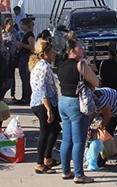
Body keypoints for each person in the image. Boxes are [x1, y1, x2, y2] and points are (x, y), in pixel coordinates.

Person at [57, 38, 100, 184]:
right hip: (77, 104)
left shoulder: (61, 65)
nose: (83, 50)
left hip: (63, 101)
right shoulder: (80, 65)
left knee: (66, 139)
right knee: (79, 141)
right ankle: (79, 174)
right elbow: (96, 81)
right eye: (80, 48)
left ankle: (65, 171)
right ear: (72, 51)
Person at [29, 40, 61, 174]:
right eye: (52, 52)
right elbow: (42, 88)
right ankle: (39, 163)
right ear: (44, 54)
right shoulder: (44, 66)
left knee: (55, 128)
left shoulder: (40, 65)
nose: (54, 55)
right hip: (43, 103)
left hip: (42, 102)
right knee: (45, 132)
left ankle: (48, 157)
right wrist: (49, 109)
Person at [93, 87, 117, 171]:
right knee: (106, 135)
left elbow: (107, 117)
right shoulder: (89, 101)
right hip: (112, 110)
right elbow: (93, 114)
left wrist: (99, 128)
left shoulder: (101, 99)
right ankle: (102, 159)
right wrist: (88, 126)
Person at [13, 17, 35, 105]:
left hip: (26, 57)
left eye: (22, 25)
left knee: (25, 78)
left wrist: (21, 44)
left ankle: (26, 97)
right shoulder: (25, 34)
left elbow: (32, 47)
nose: (21, 26)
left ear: (27, 25)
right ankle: (24, 96)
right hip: (23, 56)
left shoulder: (30, 35)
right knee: (23, 78)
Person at [1, 17, 20, 99]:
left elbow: (20, 41)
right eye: (10, 24)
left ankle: (13, 94)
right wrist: (3, 42)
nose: (11, 25)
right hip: (3, 57)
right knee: (2, 75)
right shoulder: (1, 32)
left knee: (11, 75)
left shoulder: (15, 33)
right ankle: (2, 93)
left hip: (12, 56)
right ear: (5, 25)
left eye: (13, 24)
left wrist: (16, 46)